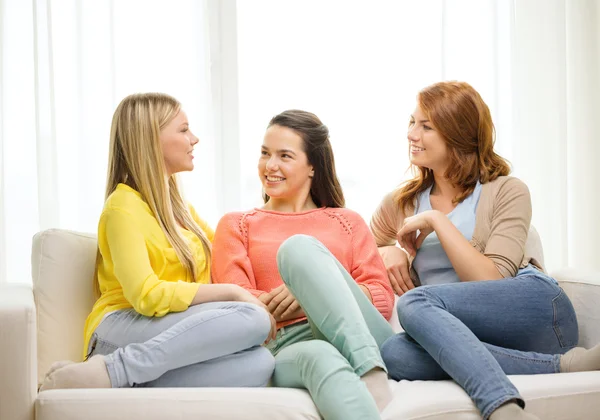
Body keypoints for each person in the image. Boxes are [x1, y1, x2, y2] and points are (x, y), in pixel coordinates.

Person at [372, 81, 600, 420]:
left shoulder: (507, 190)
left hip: (536, 310)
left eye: (426, 126)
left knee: (415, 303)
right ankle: (565, 366)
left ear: (458, 134)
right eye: (411, 122)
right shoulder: (401, 202)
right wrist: (388, 250)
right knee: (394, 353)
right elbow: (361, 250)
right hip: (475, 335)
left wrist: (437, 220)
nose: (411, 134)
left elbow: (491, 277)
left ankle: (502, 407)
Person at [39, 93, 276, 391]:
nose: (195, 138)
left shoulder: (179, 209)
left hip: (168, 330)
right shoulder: (122, 207)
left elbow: (224, 256)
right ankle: (116, 367)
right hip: (120, 327)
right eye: (183, 129)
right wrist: (231, 293)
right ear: (151, 139)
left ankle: (112, 378)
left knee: (261, 364)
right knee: (251, 318)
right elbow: (145, 295)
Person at [211, 110, 396, 420]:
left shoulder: (347, 222)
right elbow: (237, 305)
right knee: (322, 357)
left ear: (313, 166)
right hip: (285, 346)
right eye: (265, 154)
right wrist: (307, 296)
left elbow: (381, 297)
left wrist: (315, 290)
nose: (270, 166)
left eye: (285, 156)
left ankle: (369, 368)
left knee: (299, 249)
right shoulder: (237, 225)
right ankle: (370, 384)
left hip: (360, 335)